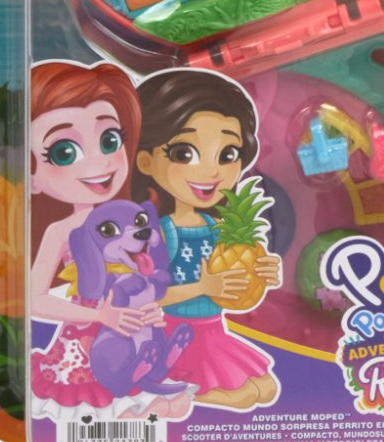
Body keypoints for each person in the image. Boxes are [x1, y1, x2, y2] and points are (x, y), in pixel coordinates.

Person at [30, 61, 173, 414]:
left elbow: (146, 276)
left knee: (154, 401)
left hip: (133, 335)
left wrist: (150, 309)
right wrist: (99, 317)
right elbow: (32, 300)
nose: (99, 161)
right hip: (83, 345)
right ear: (31, 176)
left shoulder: (131, 218)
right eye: (64, 152)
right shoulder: (61, 231)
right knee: (103, 408)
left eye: (110, 140)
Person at [133, 68, 281, 410]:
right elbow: (149, 295)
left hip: (213, 332)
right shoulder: (162, 232)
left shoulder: (219, 229)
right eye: (184, 153)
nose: (213, 171)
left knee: (265, 389)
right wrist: (203, 287)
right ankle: (171, 385)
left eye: (227, 155)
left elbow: (237, 290)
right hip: (176, 335)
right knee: (243, 397)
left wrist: (262, 274)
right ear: (146, 161)